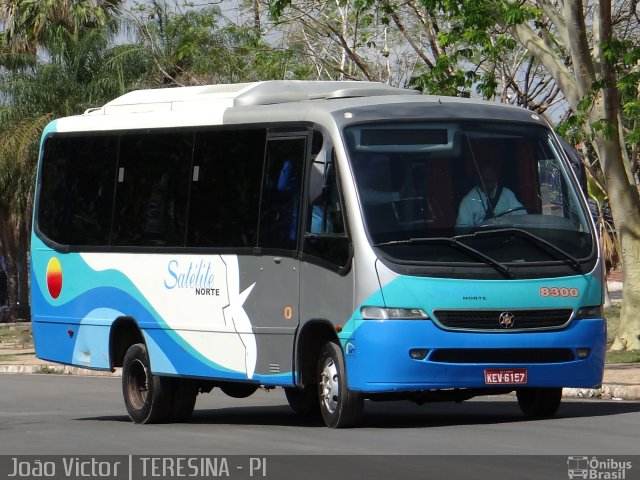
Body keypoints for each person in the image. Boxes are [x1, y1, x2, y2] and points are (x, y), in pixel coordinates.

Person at [456, 165, 525, 227]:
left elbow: (522, 215)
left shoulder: (507, 194)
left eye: (493, 181)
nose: (490, 185)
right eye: (486, 181)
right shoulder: (467, 201)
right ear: (478, 180)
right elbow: (462, 230)